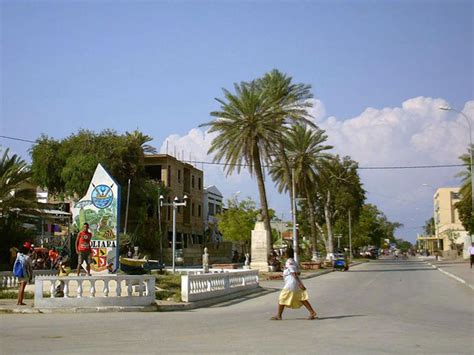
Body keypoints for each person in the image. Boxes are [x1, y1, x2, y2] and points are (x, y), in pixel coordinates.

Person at [270, 253, 317, 320]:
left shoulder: (289, 262)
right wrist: (276, 276)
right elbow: (291, 273)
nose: (282, 255)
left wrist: (300, 284)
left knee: (282, 298)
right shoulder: (292, 261)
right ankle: (312, 312)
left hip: (291, 284)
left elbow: (294, 273)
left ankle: (279, 315)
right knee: (301, 298)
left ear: (286, 254)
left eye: (283, 254)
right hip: (293, 283)